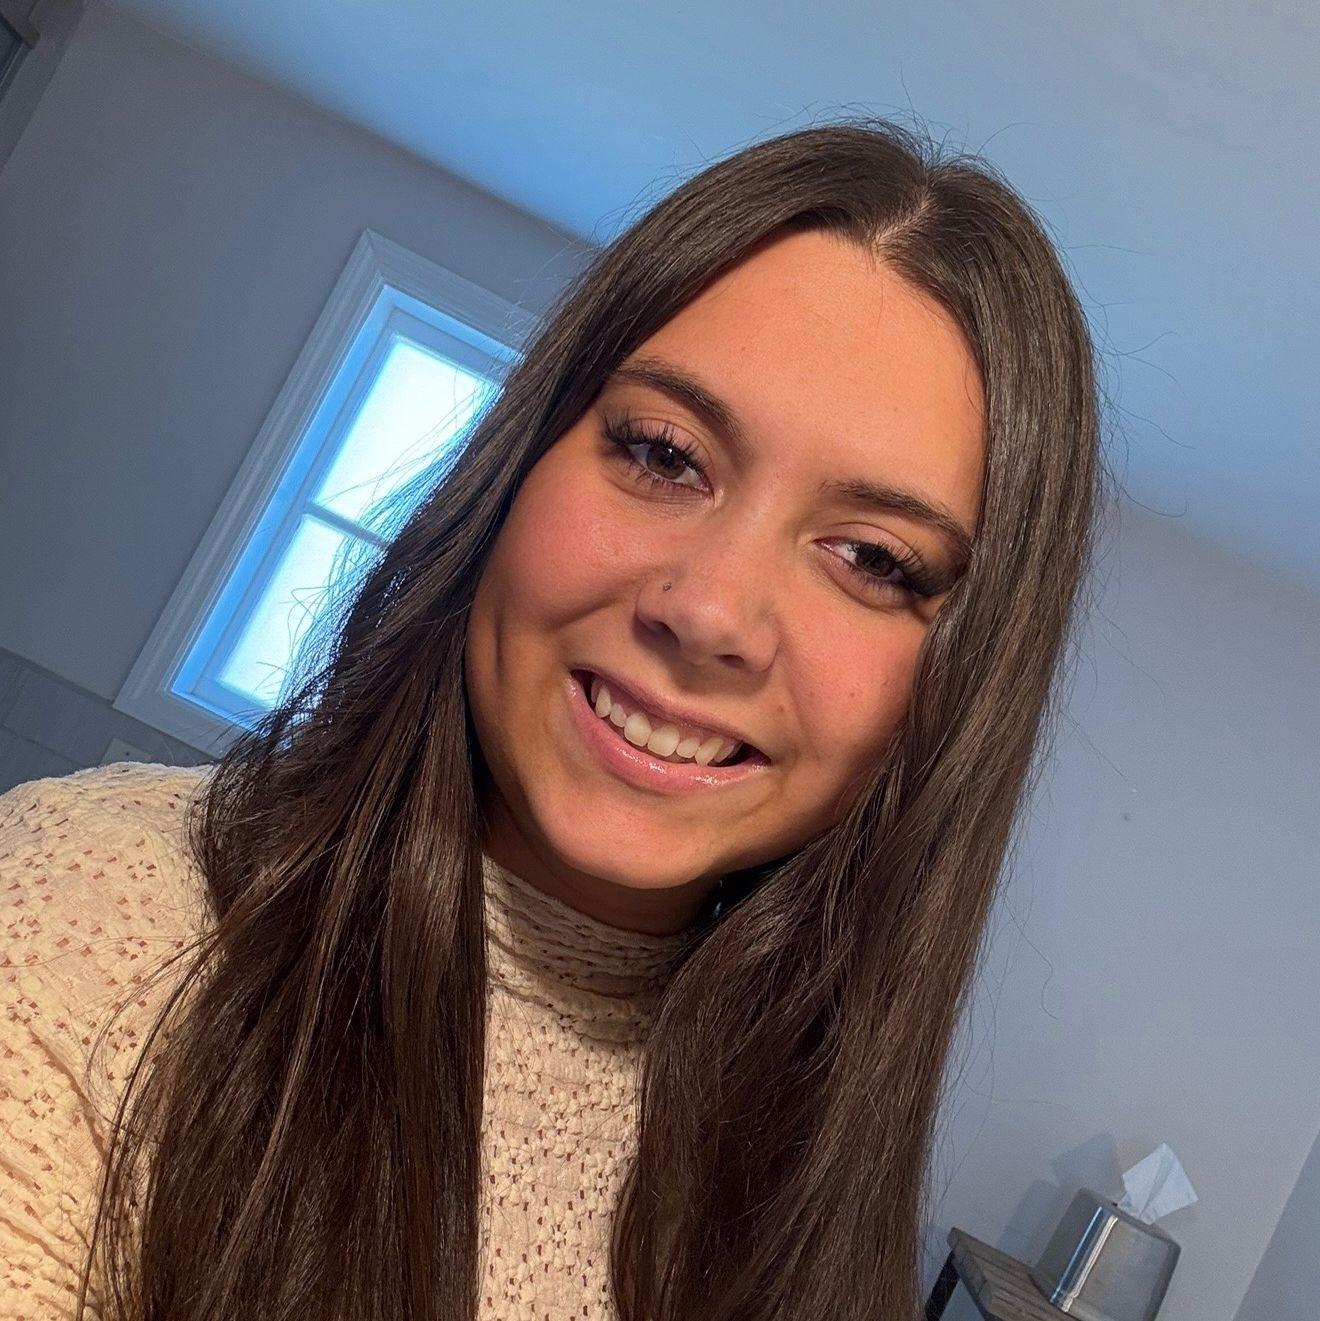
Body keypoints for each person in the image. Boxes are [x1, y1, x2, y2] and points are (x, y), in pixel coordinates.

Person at [0, 118, 1109, 1320]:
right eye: (664, 454)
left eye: (874, 559)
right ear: (521, 460)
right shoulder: (97, 919)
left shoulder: (819, 1218)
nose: (710, 611)